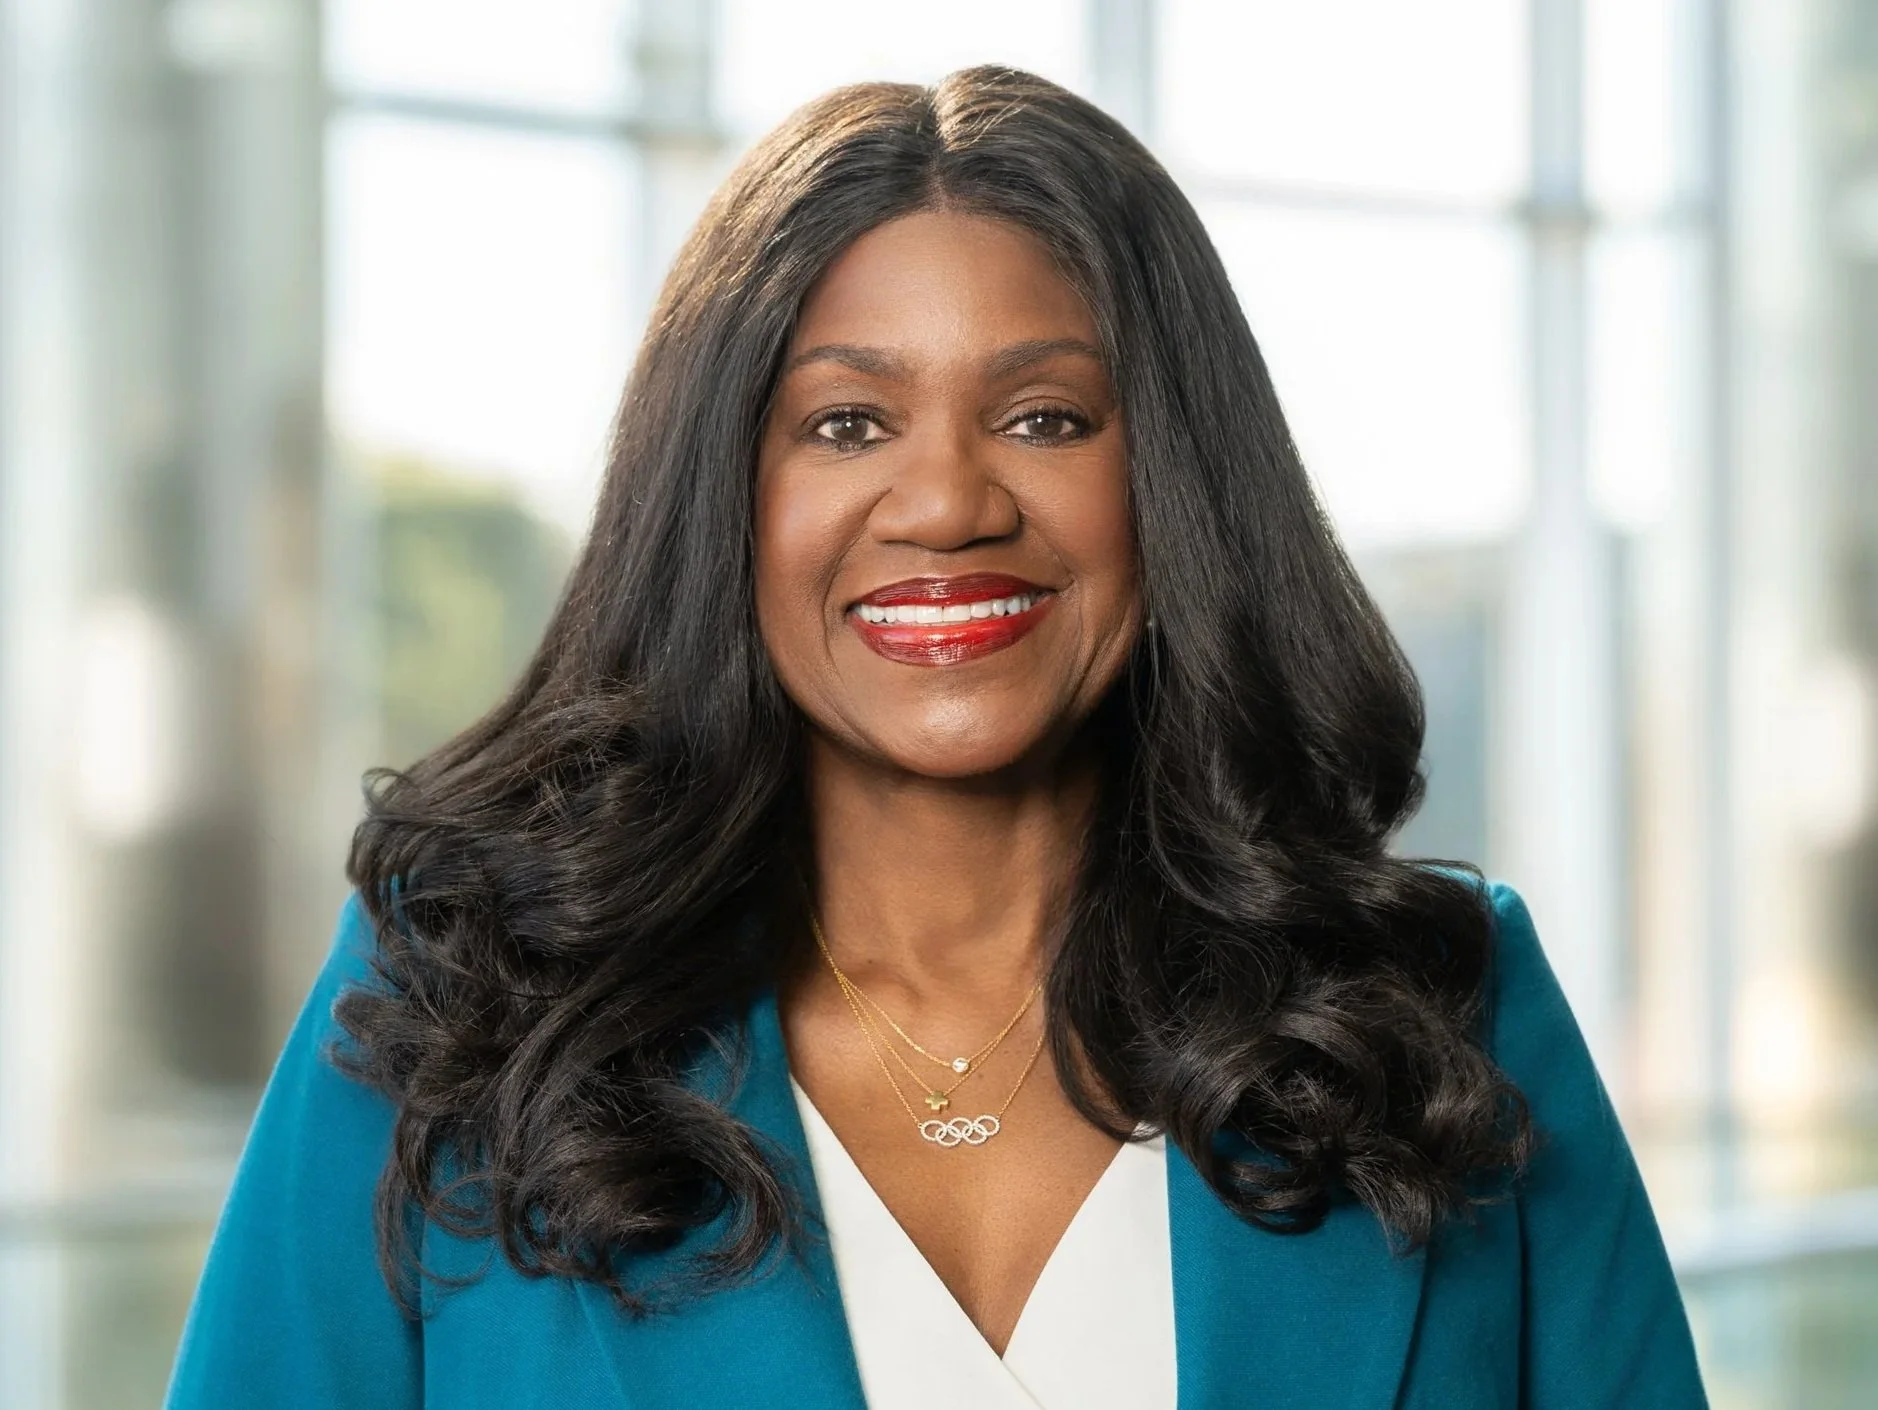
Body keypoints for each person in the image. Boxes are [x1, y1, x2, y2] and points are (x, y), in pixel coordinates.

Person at [162, 65, 1708, 1409]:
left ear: (1172, 483)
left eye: (1046, 418)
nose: (950, 503)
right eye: (846, 423)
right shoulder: (461, 1006)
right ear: (721, 496)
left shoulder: (1442, 1010)